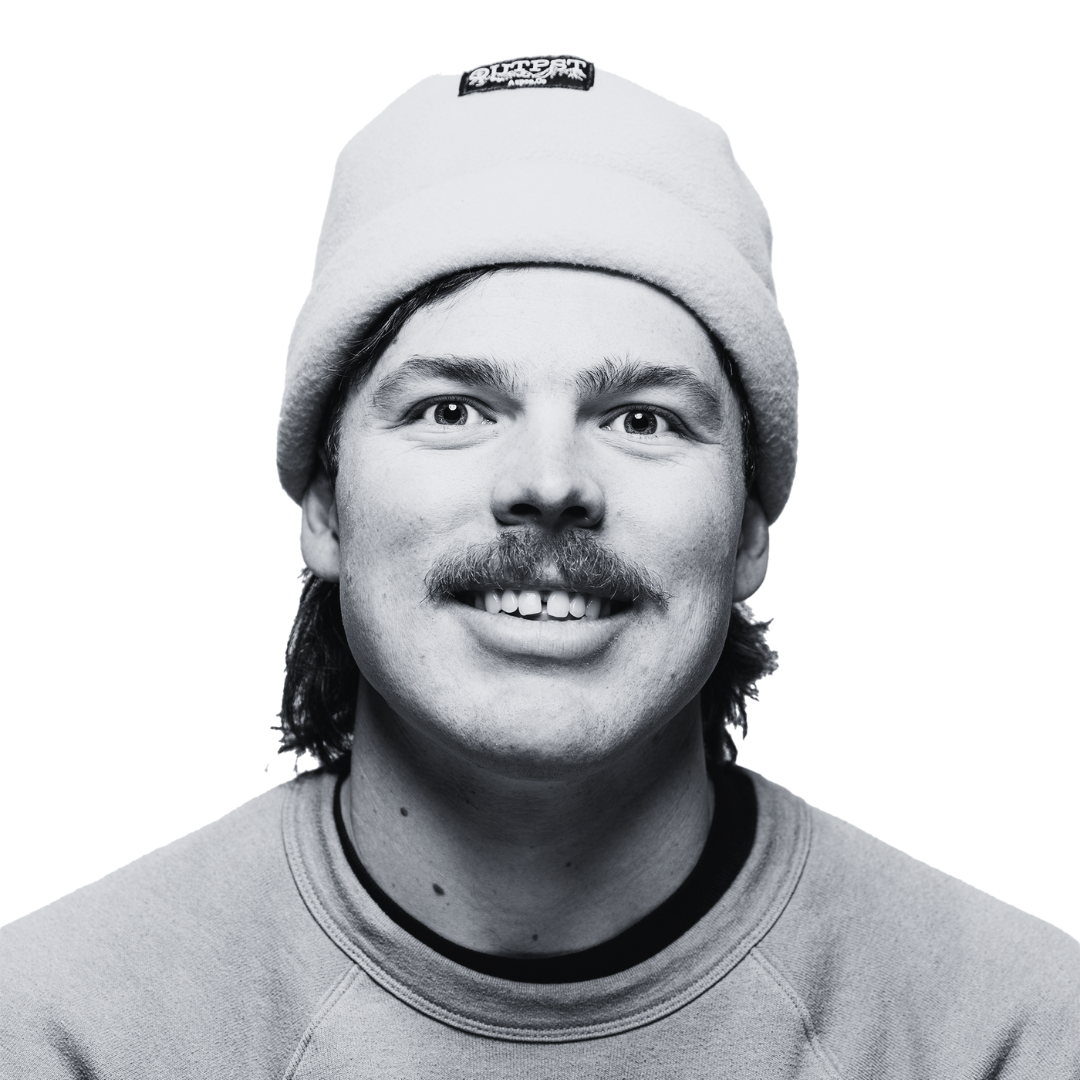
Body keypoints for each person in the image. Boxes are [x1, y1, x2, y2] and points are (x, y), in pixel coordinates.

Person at [2, 56, 1077, 1078]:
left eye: (643, 418)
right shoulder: (60, 1034)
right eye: (452, 409)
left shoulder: (1018, 1038)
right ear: (327, 504)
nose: (551, 481)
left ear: (751, 525)